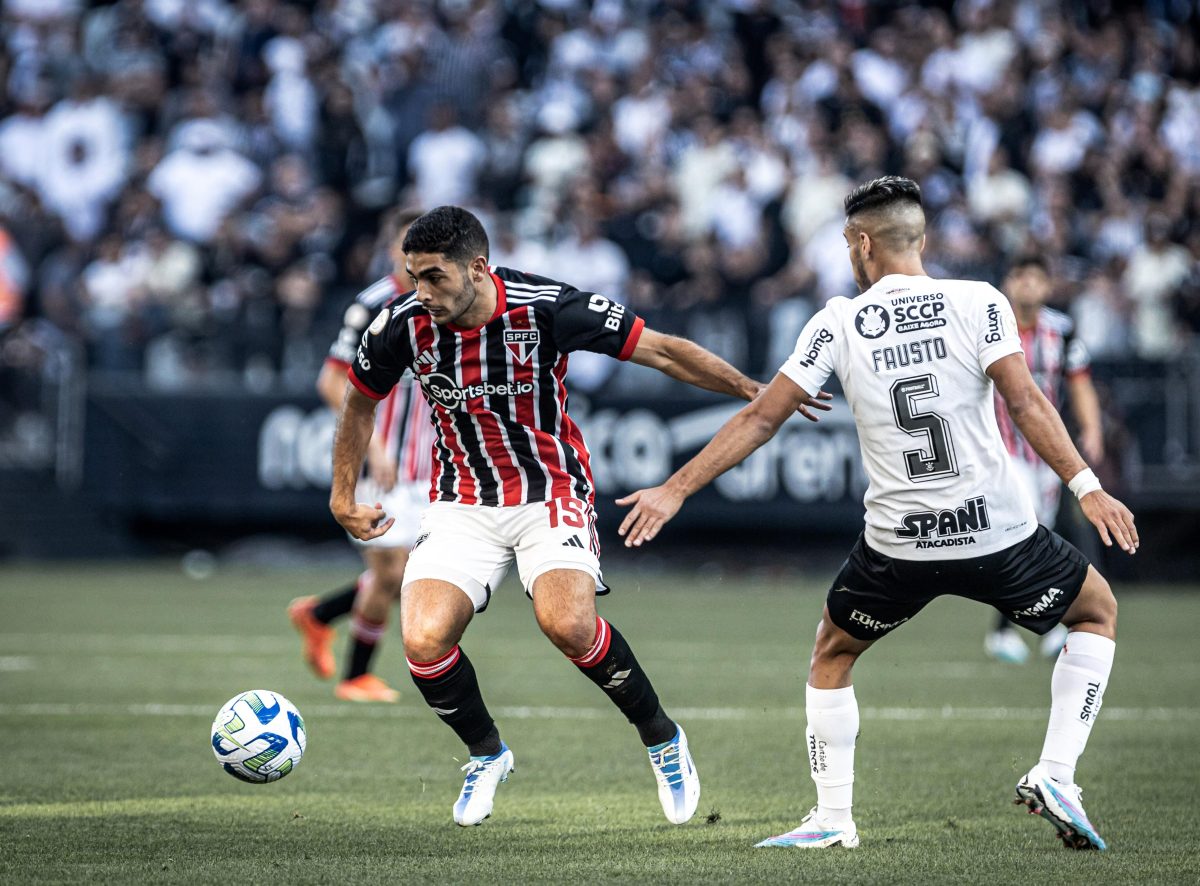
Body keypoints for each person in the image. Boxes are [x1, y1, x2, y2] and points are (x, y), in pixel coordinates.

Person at [618, 177, 1137, 851]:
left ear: (864, 243)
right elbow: (1028, 403)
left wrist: (676, 488)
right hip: (998, 530)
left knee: (833, 653)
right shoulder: (980, 301)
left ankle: (833, 817)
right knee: (1095, 611)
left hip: (900, 545)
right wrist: (1086, 485)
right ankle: (1057, 773)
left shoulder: (838, 321)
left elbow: (759, 417)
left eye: (846, 243)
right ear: (918, 239)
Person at [329, 205, 831, 827]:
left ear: (478, 268)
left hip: (550, 492)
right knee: (424, 640)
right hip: (462, 499)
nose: (421, 291)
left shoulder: (546, 307)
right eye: (413, 275)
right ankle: (487, 754)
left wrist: (752, 389)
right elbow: (357, 401)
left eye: (434, 277)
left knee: (565, 622)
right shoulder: (401, 324)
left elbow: (664, 352)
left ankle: (662, 738)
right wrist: (341, 494)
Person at [289, 209, 434, 702]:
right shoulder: (373, 305)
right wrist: (373, 447)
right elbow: (331, 382)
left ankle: (319, 615)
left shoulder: (450, 303)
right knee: (392, 572)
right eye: (403, 246)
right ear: (392, 249)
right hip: (383, 463)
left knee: (410, 576)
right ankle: (355, 676)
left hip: (433, 466)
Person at [985, 254, 1105, 664]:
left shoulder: (1062, 332)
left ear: (1047, 286)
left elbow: (1080, 384)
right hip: (1001, 447)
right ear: (1009, 281)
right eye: (1021, 277)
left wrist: (1092, 429)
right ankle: (1019, 629)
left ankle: (1033, 626)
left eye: (1037, 279)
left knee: (1040, 533)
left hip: (1047, 452)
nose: (1029, 287)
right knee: (1025, 529)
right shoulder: (988, 322)